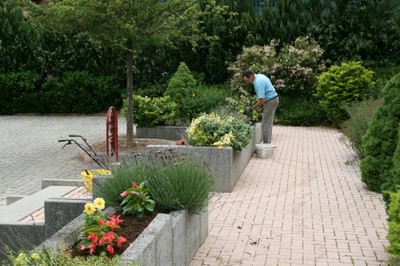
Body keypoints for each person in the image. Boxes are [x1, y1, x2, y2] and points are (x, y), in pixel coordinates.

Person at [243, 70, 279, 144]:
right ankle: (268, 143)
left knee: (265, 124)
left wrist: (251, 108)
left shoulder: (257, 82)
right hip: (272, 99)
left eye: (248, 80)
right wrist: (263, 105)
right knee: (268, 123)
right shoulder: (260, 76)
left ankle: (266, 146)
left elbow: (262, 100)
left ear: (251, 76)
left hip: (270, 101)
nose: (248, 82)